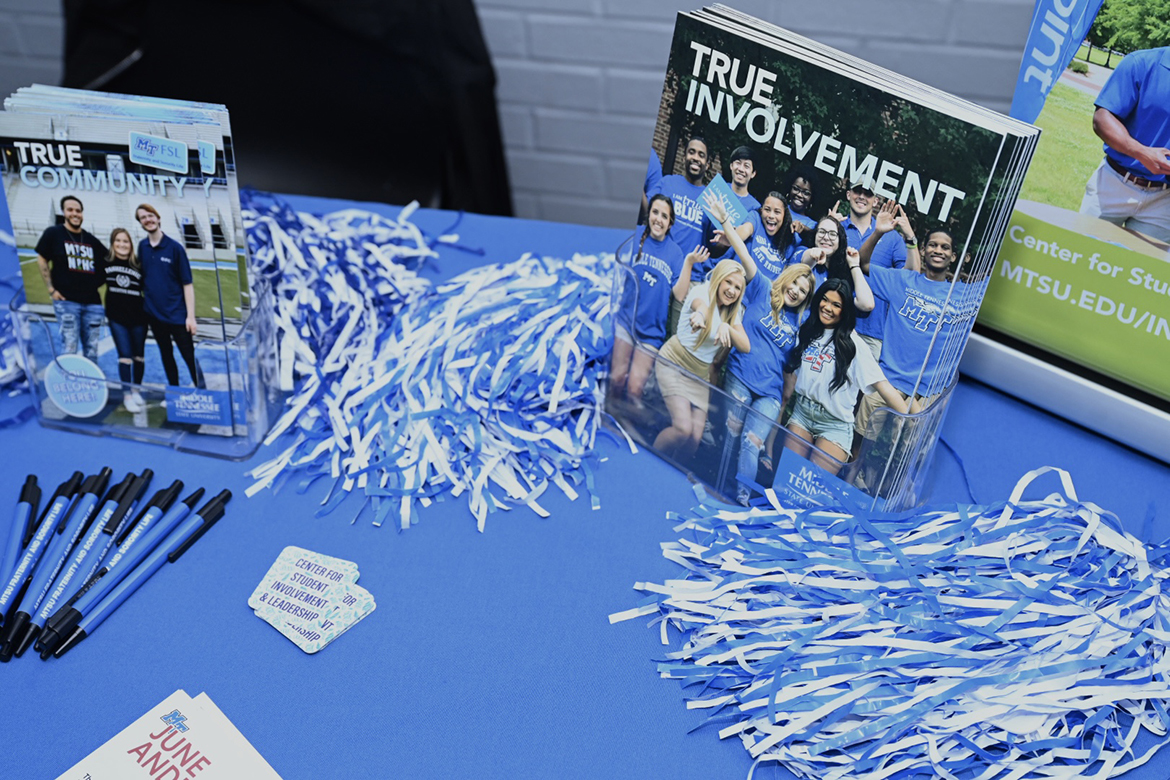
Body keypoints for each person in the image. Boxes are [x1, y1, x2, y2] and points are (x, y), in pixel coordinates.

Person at [707, 192, 814, 504]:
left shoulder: (800, 322)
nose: (796, 290)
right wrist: (726, 222)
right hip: (740, 377)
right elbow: (742, 251)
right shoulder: (762, 288)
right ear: (787, 279)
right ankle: (718, 485)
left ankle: (740, 498)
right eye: (795, 283)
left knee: (752, 443)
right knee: (732, 434)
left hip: (769, 393)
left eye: (803, 290)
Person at [854, 228, 975, 445]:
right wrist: (878, 232)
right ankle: (852, 476)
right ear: (923, 250)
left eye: (945, 247)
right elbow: (862, 263)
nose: (938, 250)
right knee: (861, 439)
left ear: (953, 256)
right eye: (933, 245)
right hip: (889, 380)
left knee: (910, 452)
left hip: (929, 389)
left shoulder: (965, 296)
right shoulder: (903, 280)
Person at [783, 277, 913, 475]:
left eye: (836, 305)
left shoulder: (854, 344)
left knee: (814, 490)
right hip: (802, 413)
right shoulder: (807, 330)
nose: (827, 307)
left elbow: (883, 385)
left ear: (845, 311)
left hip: (834, 423)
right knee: (789, 478)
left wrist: (913, 420)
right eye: (824, 300)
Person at [611, 194, 707, 406]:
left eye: (664, 216)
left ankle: (621, 428)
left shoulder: (675, 252)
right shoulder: (634, 236)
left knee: (635, 389)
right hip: (626, 322)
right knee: (616, 379)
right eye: (655, 212)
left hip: (651, 334)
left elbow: (680, 294)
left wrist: (689, 262)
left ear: (670, 223)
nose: (658, 219)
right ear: (649, 214)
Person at [653, 258, 748, 461]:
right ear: (718, 279)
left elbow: (745, 345)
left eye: (737, 287)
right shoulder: (701, 292)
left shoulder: (734, 312)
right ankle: (649, 462)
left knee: (693, 440)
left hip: (700, 375)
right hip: (674, 363)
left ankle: (670, 474)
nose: (732, 290)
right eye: (728, 282)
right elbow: (701, 308)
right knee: (682, 429)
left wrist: (728, 327)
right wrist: (700, 317)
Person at [1079, 46, 1170, 243]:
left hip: (1164, 201)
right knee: (1079, 257)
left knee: (1140, 271)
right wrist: (1141, 152)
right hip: (1113, 183)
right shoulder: (1141, 63)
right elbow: (1102, 119)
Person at [136, 203, 205, 388]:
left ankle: (203, 391)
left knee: (188, 356)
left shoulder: (175, 248)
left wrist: (190, 317)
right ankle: (174, 390)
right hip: (155, 316)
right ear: (141, 223)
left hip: (177, 316)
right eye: (143, 217)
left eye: (150, 215)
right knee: (166, 355)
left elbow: (187, 284)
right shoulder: (142, 247)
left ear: (158, 218)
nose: (148, 220)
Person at [34, 195, 107, 363]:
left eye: (78, 211)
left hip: (93, 303)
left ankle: (89, 385)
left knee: (92, 349)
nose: (75, 214)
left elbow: (108, 261)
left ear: (82, 213)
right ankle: (68, 386)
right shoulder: (54, 233)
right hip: (66, 302)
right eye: (70, 210)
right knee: (69, 347)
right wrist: (51, 289)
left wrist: (98, 282)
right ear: (64, 212)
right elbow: (42, 258)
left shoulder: (91, 240)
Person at [102, 228, 148, 412]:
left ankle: (136, 390)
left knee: (138, 357)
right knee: (125, 356)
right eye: (118, 241)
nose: (122, 244)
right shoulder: (105, 262)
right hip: (116, 317)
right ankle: (127, 395)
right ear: (113, 243)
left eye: (125, 241)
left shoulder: (139, 264)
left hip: (139, 317)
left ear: (131, 244)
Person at [698, 145, 762, 260]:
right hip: (699, 255)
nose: (741, 169)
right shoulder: (716, 189)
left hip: (726, 266)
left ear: (753, 173)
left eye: (746, 166)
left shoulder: (755, 207)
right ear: (731, 166)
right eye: (738, 163)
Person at [783, 165, 821, 236]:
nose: (799, 195)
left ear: (812, 198)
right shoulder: (779, 209)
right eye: (796, 189)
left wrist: (803, 229)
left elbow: (812, 236)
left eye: (806, 193)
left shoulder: (812, 225)